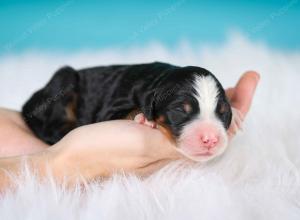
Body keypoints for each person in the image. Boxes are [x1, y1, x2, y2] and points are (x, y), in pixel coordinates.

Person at [0, 71, 260, 191]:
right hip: (51, 108)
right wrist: (64, 163)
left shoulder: (166, 92)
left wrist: (229, 112)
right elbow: (117, 110)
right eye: (183, 111)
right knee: (65, 83)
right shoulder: (148, 96)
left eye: (221, 112)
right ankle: (55, 140)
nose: (210, 136)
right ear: (151, 106)